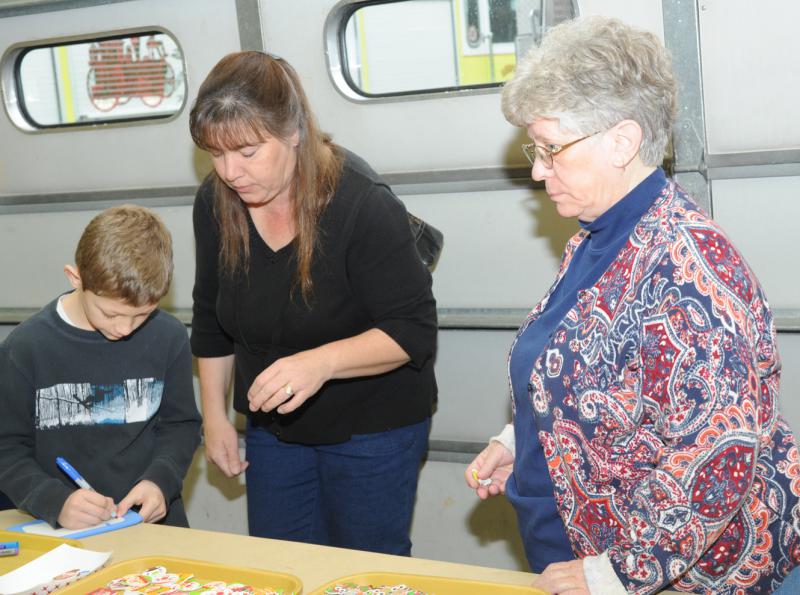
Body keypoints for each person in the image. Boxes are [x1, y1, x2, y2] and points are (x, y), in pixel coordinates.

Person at [465, 16, 800, 594]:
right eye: (535, 148)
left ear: (622, 141)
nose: (539, 169)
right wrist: (520, 438)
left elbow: (716, 457)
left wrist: (613, 573)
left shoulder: (691, 264)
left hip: (686, 578)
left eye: (552, 149)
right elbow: (600, 376)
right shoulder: (598, 238)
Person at [188, 52, 437, 555]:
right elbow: (210, 316)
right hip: (275, 430)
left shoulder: (361, 202)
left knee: (365, 573)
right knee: (282, 565)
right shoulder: (216, 202)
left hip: (374, 426)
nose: (230, 171)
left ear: (295, 132)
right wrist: (214, 417)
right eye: (216, 154)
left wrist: (320, 363)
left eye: (249, 151)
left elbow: (412, 330)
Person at [0, 205, 201, 529]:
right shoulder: (25, 349)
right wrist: (55, 501)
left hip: (152, 531)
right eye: (110, 314)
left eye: (142, 315)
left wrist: (160, 482)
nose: (125, 328)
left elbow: (181, 426)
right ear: (75, 277)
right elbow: (6, 449)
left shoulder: (169, 337)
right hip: (65, 536)